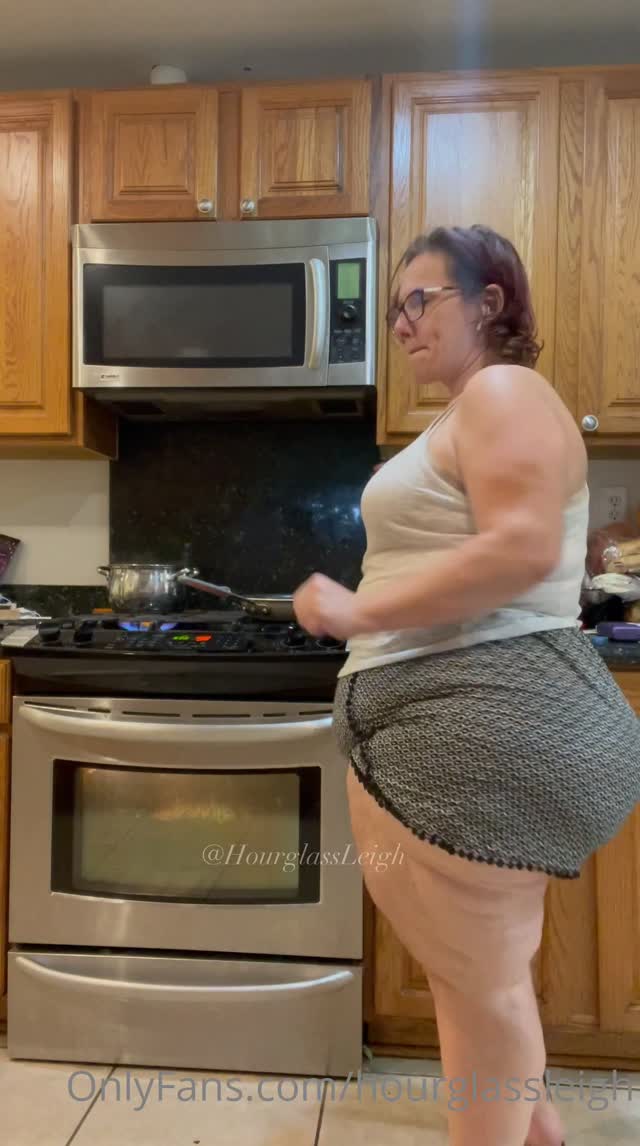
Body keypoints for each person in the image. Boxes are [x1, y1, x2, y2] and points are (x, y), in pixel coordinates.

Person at [292, 224, 640, 1146]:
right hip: (472, 724)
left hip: (486, 723)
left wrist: (359, 610)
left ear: (489, 302)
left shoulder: (503, 390)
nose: (402, 322)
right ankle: (535, 1130)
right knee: (479, 977)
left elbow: (521, 548)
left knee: (482, 990)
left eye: (422, 299)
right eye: (394, 308)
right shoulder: (468, 410)